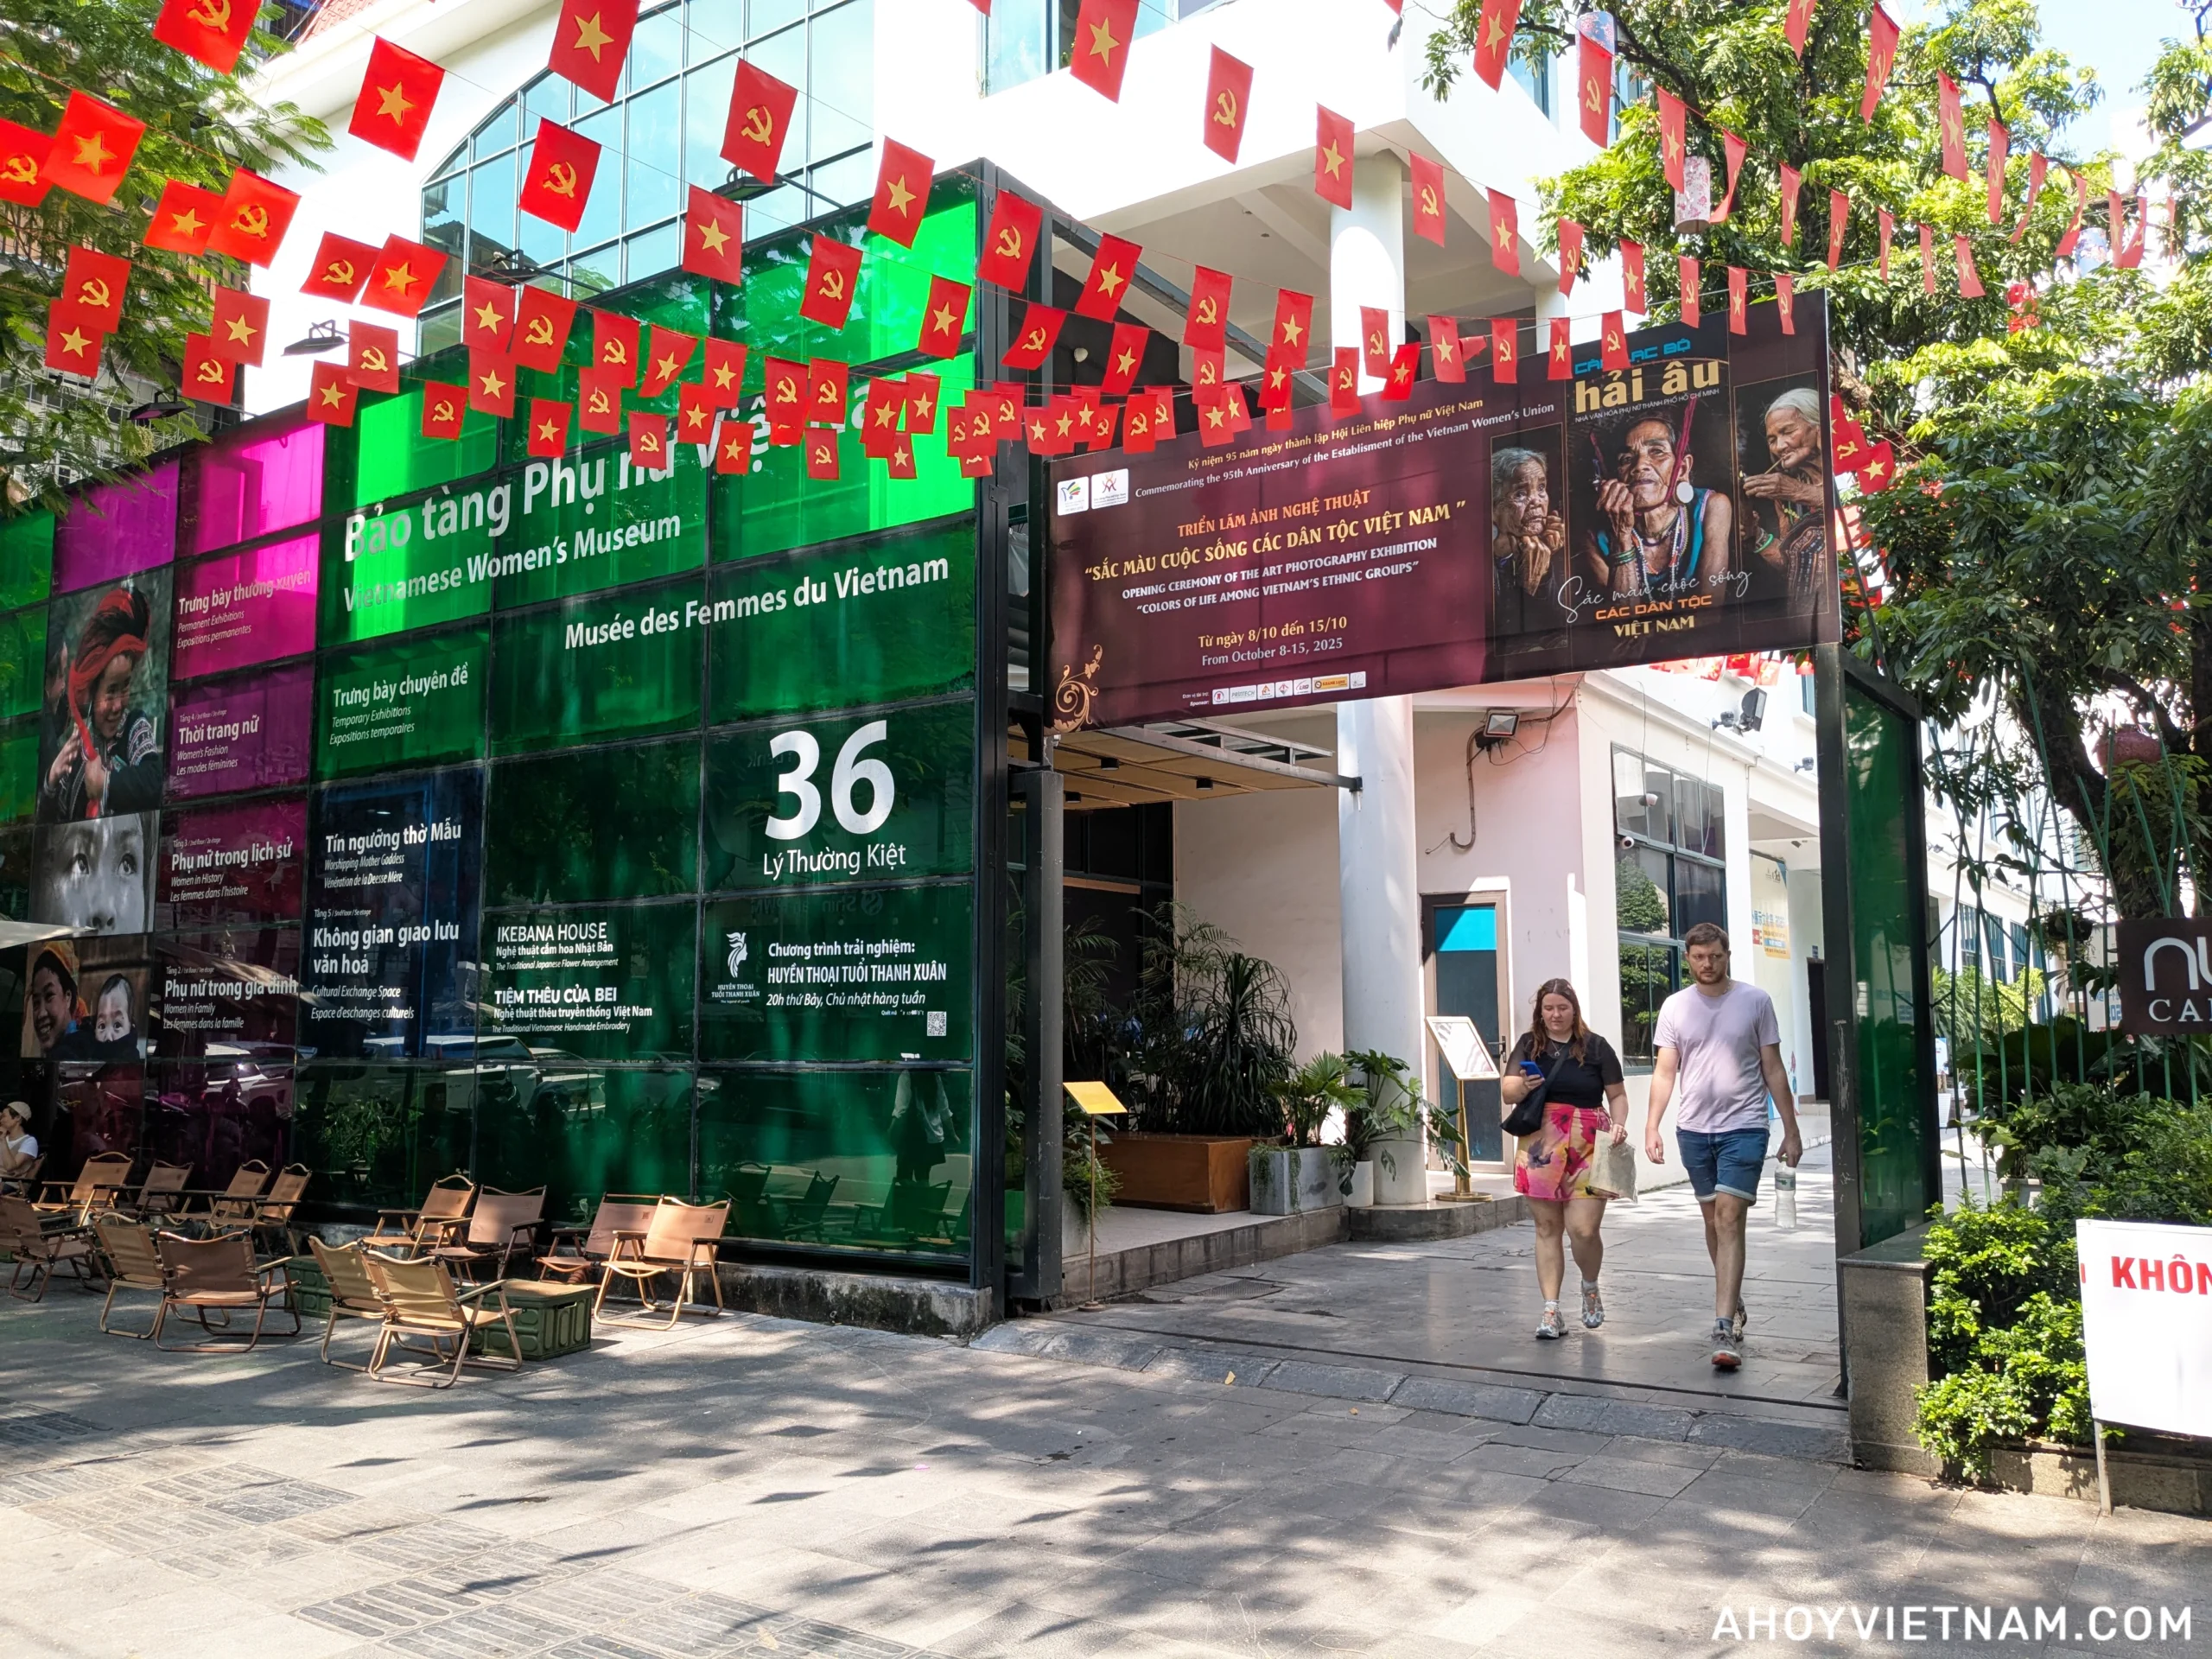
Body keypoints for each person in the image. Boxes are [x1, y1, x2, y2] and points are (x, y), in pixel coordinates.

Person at [1643, 921, 1803, 1370]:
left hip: (1745, 1126)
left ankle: (1722, 1326)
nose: (1707, 964)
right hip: (1693, 1130)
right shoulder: (1675, 1007)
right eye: (1698, 957)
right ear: (1688, 958)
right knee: (1714, 1222)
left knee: (1730, 1217)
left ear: (1726, 955)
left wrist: (1790, 1128)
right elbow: (1664, 1071)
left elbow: (1773, 1069)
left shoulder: (1755, 1001)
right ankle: (1730, 1298)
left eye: (1714, 955)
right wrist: (1652, 1125)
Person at [1500, 978, 1630, 1338]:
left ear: (1574, 1009)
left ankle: (1590, 1285)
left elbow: (1617, 1095)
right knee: (1546, 1228)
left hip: (1589, 1140)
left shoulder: (1596, 1047)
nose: (1555, 1015)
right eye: (1548, 1008)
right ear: (1540, 1011)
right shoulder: (1529, 1044)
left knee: (1583, 1230)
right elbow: (1508, 1089)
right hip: (1541, 1143)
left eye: (1562, 1008)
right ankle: (1551, 1310)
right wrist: (1523, 1086)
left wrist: (1619, 1125)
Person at [1580, 415, 1734, 601]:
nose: (1639, 466)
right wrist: (1621, 537)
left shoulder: (1712, 507)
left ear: (1683, 469)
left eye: (1657, 451)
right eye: (1627, 458)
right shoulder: (1595, 537)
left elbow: (1710, 610)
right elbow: (1622, 621)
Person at [42, 585, 162, 822]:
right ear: (92, 692)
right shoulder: (75, 749)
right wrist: (51, 781)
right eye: (110, 692)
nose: (118, 705)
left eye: (125, 686)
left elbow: (154, 782)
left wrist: (105, 784)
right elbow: (54, 822)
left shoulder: (134, 729)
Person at [1739, 388, 1828, 611]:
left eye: (1788, 432)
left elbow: (1859, 507)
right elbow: (1791, 563)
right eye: (1772, 439)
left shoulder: (1847, 467)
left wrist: (1798, 491)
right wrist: (1756, 537)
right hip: (1810, 614)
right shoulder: (1785, 492)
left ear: (1818, 426)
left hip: (1860, 601)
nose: (1780, 446)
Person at [1490, 446, 1571, 642]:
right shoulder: (1472, 562)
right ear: (1493, 508)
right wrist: (1529, 584)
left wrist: (1549, 567)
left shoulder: (1555, 550)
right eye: (1520, 494)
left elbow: (1561, 634)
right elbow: (1504, 643)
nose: (1536, 501)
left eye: (1541, 488)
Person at [24, 943, 82, 1058]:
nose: (41, 1014)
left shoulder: (74, 1053)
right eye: (36, 1002)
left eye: (49, 995)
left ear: (68, 997)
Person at [0, 1100, 37, 1179]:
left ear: (17, 1117)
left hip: (8, 1183)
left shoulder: (29, 1142)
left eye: (3, 1116)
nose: (1, 1120)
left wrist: (3, 1139)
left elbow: (10, 1166)